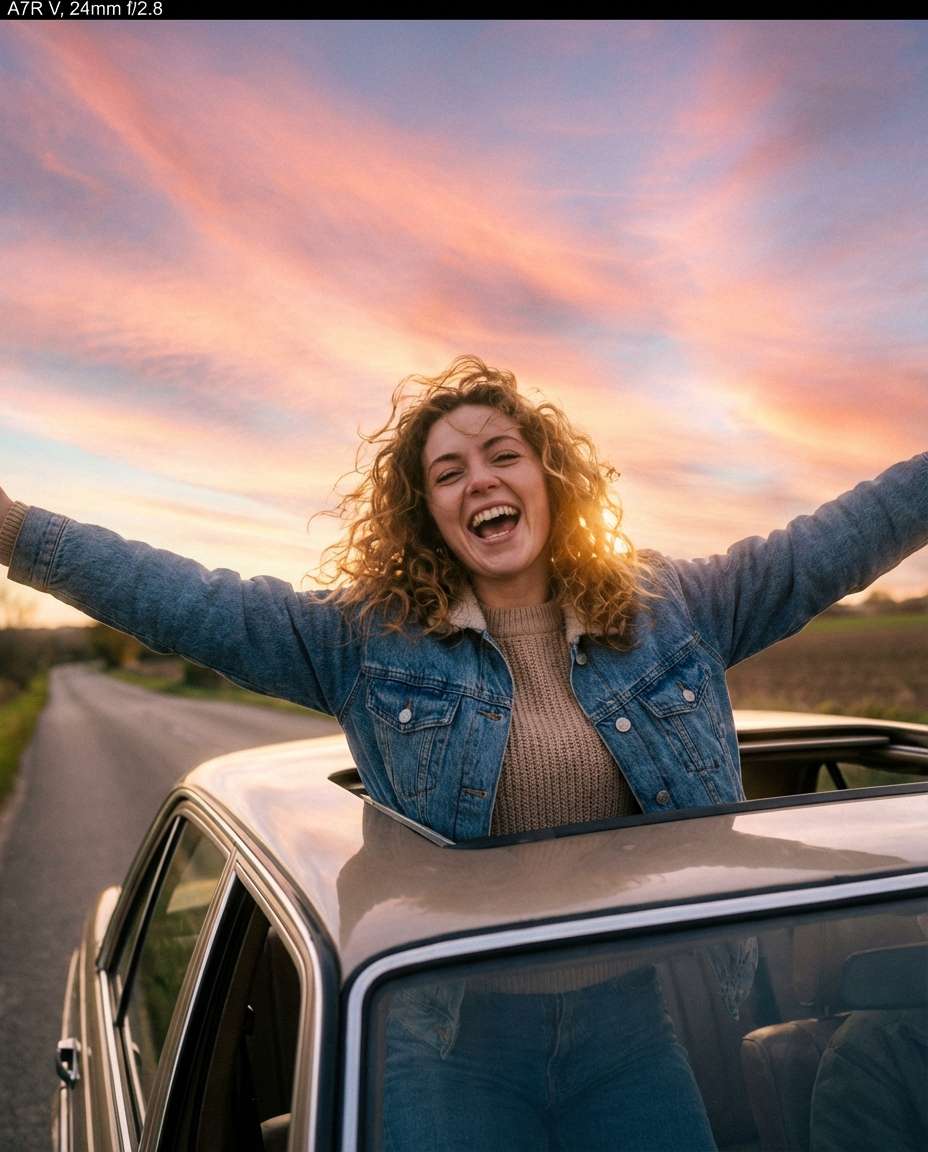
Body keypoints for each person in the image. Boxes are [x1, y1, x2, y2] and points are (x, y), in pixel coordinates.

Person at [2, 355, 927, 1149]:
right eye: (447, 472)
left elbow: (827, 547)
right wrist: (16, 534)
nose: (477, 479)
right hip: (448, 1043)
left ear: (550, 478)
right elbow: (190, 599)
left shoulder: (671, 611)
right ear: (428, 512)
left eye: (501, 455)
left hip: (630, 1029)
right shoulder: (364, 641)